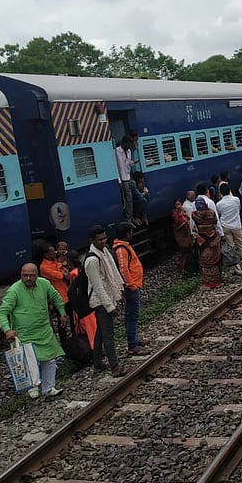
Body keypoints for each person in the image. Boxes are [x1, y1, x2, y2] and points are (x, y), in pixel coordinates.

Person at [0, 263, 67, 399]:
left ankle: (49, 388)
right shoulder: (14, 290)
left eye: (31, 275)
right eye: (25, 275)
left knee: (50, 359)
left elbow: (56, 297)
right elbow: (2, 312)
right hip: (25, 334)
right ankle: (33, 388)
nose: (28, 278)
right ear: (21, 275)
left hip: (44, 330)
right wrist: (7, 330)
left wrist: (62, 312)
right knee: (30, 362)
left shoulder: (44, 284)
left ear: (37, 275)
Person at [85, 225, 127, 377]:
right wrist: (110, 306)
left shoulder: (105, 252)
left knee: (101, 332)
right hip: (101, 301)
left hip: (107, 296)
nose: (103, 241)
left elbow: (113, 272)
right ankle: (115, 367)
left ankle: (97, 363)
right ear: (91, 241)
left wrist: (120, 290)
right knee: (108, 334)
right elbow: (97, 286)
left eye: (104, 238)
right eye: (99, 239)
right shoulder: (92, 260)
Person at [113, 221, 149, 357]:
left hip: (133, 286)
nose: (132, 234)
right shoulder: (121, 249)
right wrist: (132, 285)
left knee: (132, 315)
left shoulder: (124, 246)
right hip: (131, 288)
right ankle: (132, 346)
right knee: (132, 315)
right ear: (127, 233)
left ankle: (134, 339)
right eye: (131, 231)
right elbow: (123, 270)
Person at [216, 183, 242, 275]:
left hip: (225, 226)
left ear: (220, 193)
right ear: (229, 190)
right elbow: (238, 209)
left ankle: (237, 269)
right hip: (237, 226)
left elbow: (219, 215)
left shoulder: (219, 204)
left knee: (231, 248)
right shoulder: (236, 200)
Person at [191, 196, 223, 289]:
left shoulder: (194, 215)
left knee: (205, 262)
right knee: (215, 261)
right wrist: (221, 234)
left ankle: (208, 284)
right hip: (213, 239)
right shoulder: (212, 213)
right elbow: (216, 223)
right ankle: (217, 282)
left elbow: (193, 227)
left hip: (202, 241)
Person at [172, 198, 195, 273]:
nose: (177, 206)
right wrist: (184, 223)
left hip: (187, 233)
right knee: (184, 251)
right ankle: (183, 268)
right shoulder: (175, 214)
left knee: (189, 250)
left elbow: (188, 218)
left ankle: (189, 267)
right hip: (181, 236)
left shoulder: (183, 212)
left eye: (178, 204)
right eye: (176, 204)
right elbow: (176, 226)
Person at [115, 136, 136, 222]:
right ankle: (128, 218)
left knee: (135, 196)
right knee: (128, 199)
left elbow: (127, 163)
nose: (129, 147)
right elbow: (116, 166)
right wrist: (119, 180)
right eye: (128, 145)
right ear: (124, 143)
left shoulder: (129, 151)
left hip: (128, 176)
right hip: (123, 178)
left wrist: (132, 163)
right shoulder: (117, 151)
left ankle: (133, 216)